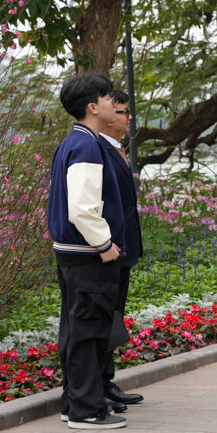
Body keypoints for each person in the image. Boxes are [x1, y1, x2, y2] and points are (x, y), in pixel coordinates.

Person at [47, 74, 128, 429]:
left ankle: (74, 403)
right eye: (108, 98)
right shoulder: (86, 145)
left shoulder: (75, 142)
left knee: (77, 329)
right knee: (89, 333)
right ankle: (86, 409)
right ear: (93, 107)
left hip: (73, 253)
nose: (114, 103)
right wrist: (104, 244)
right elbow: (82, 207)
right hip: (87, 254)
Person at [97, 90, 145, 412]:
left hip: (121, 249)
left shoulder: (118, 149)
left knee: (114, 316)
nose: (129, 118)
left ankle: (106, 380)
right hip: (108, 250)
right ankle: (99, 385)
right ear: (109, 114)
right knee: (103, 317)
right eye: (124, 111)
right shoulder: (98, 149)